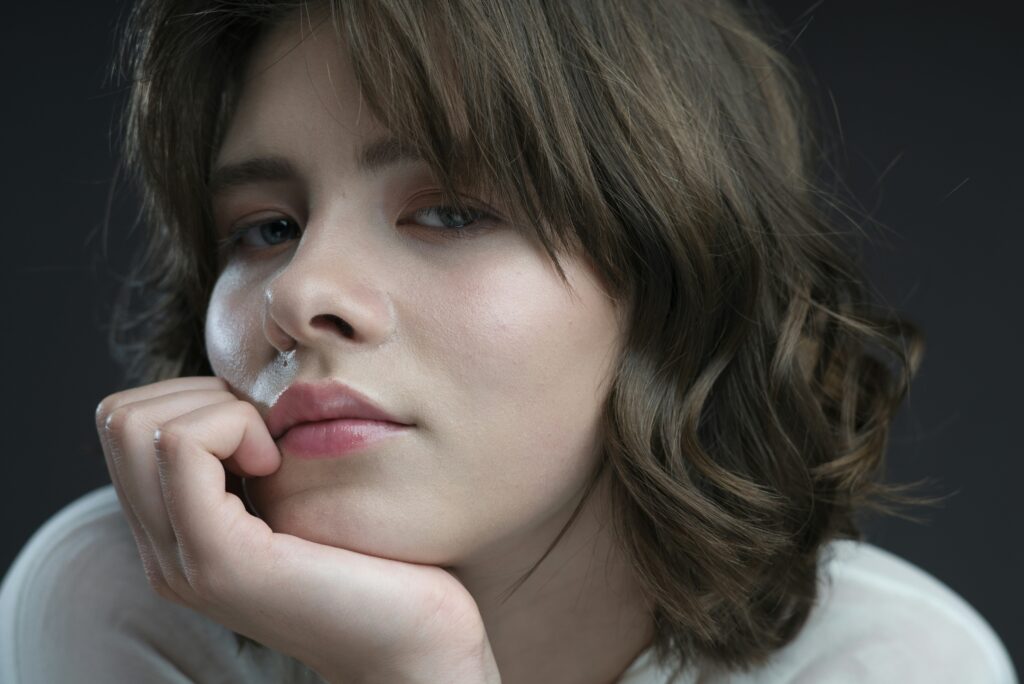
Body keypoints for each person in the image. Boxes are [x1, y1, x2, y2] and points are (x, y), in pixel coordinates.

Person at [0, 0, 1017, 682]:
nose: (299, 292)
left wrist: (422, 672)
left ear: (672, 279)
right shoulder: (117, 608)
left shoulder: (888, 665)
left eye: (450, 212)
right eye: (265, 229)